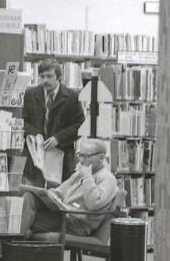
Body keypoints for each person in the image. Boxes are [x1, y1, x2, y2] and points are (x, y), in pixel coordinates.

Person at [19, 138, 118, 238]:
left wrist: (88, 177)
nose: (81, 160)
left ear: (101, 158)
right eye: (80, 155)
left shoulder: (107, 178)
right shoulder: (79, 174)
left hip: (77, 224)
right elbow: (59, 192)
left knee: (25, 218)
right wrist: (46, 195)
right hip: (64, 215)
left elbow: (93, 204)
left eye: (86, 156)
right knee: (30, 196)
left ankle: (11, 245)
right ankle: (14, 244)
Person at [22, 57, 84, 185]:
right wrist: (35, 133)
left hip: (61, 157)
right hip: (35, 157)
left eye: (49, 76)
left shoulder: (71, 96)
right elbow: (21, 121)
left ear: (59, 77)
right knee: (34, 194)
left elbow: (80, 125)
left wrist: (58, 138)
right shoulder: (30, 94)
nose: (45, 80)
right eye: (42, 76)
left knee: (56, 198)